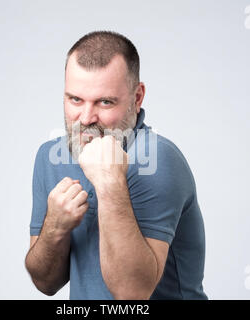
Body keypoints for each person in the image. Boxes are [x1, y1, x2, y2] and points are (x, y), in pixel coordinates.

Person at [25, 30, 208, 300]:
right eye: (75, 99)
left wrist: (110, 184)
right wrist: (55, 226)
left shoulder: (156, 159)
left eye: (105, 102)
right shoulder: (50, 157)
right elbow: (46, 283)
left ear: (137, 98)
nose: (86, 118)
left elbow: (132, 295)